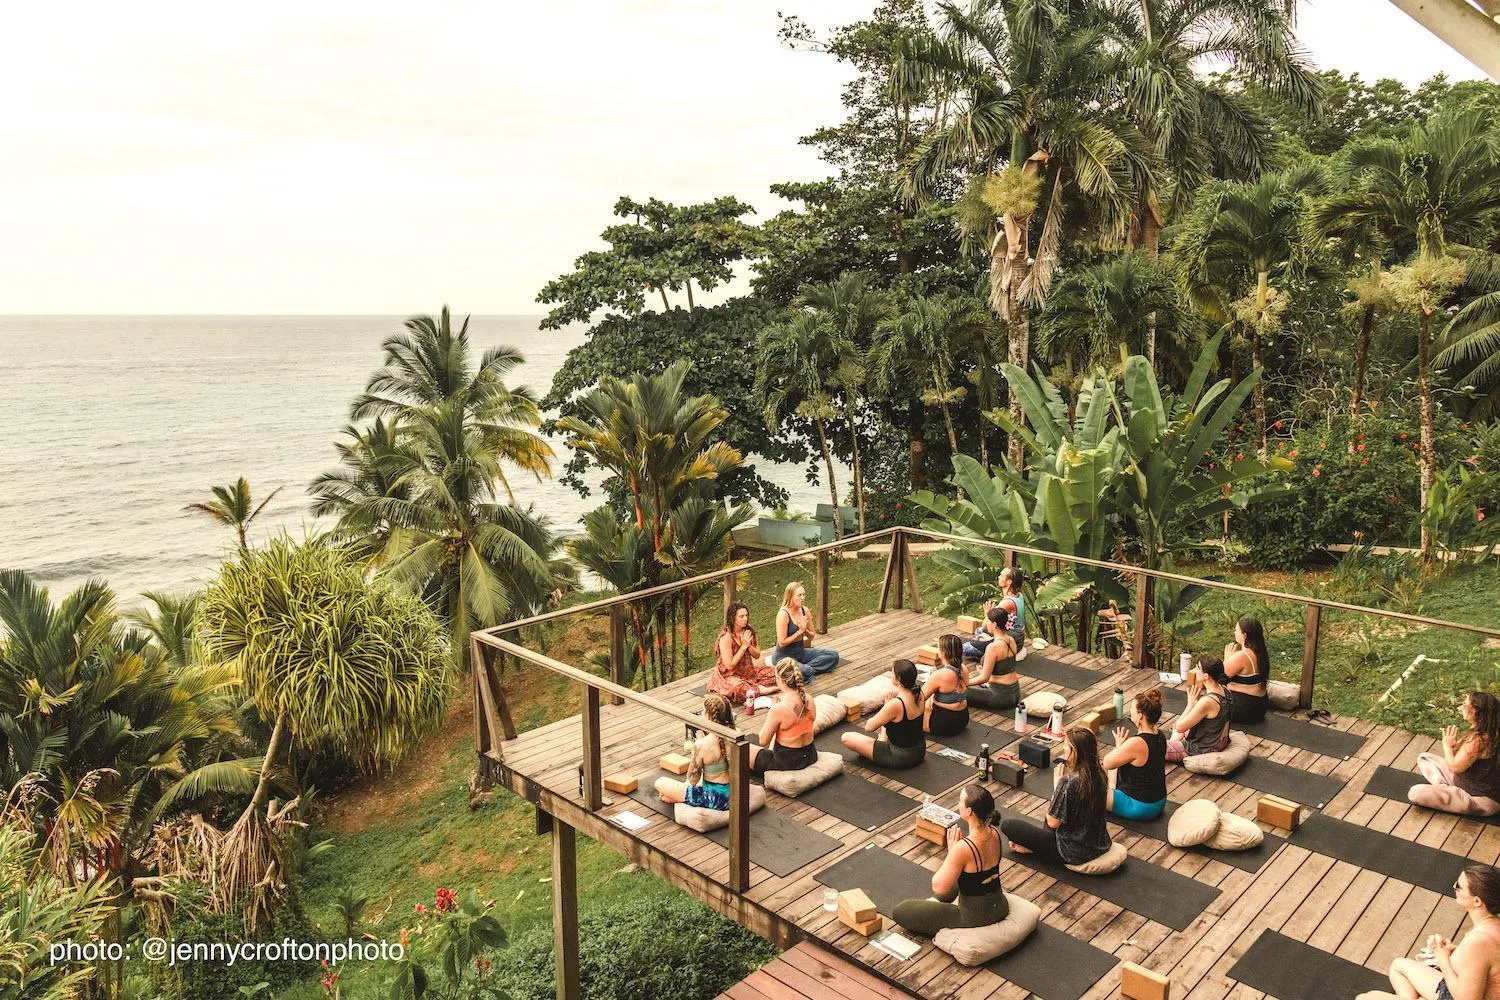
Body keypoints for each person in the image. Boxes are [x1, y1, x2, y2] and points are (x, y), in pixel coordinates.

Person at [1358, 864, 1500, 1000]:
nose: (1454, 887)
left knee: (1365, 998)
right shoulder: (1493, 925)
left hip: (1456, 995)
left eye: (1459, 886)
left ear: (1476, 901)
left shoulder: (1477, 942)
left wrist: (1442, 958)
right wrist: (1454, 952)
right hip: (1463, 987)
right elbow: (1486, 960)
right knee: (1398, 966)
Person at [893, 784, 1009, 935]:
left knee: (902, 911)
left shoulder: (964, 848)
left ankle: (934, 906)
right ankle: (935, 904)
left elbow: (938, 887)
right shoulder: (995, 833)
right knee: (956, 881)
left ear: (969, 811)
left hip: (975, 916)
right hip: (999, 905)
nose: (958, 804)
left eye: (961, 801)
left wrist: (952, 852)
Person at [1000, 726, 1112, 867]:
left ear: (1074, 751)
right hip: (1099, 843)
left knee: (1009, 825)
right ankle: (1038, 848)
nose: (1064, 748)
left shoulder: (1070, 781)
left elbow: (1053, 822)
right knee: (1050, 822)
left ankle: (1037, 851)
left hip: (1073, 851)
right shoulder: (1100, 773)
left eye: (1065, 745)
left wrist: (1058, 787)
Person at [1408, 692, 1500, 817]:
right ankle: (1446, 790)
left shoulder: (1478, 741)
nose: (1462, 706)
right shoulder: (1489, 730)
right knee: (1424, 758)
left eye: (1465, 704)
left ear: (1476, 712)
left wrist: (1447, 747)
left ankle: (1447, 792)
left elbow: (1455, 767)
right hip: (1465, 780)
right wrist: (1454, 747)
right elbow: (1466, 761)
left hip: (1479, 799)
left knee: (1415, 793)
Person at [655, 694, 737, 810]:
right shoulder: (736, 734)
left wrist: (697, 747)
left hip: (715, 799)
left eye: (704, 711)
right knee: (672, 791)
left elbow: (693, 780)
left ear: (709, 716)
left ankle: (678, 799)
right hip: (734, 792)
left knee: (660, 782)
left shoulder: (702, 745)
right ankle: (676, 798)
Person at [842, 658, 926, 769]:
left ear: (898, 678)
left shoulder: (896, 704)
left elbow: (869, 727)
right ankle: (882, 740)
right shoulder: (919, 694)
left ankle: (881, 742)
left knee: (847, 738)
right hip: (919, 751)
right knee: (894, 722)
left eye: (892, 674)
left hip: (901, 757)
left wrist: (886, 706)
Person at [1101, 689, 1169, 821]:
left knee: (1087, 790)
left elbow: (1107, 763)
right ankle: (1112, 790)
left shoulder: (1137, 743)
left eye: (1132, 708)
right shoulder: (1160, 735)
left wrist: (1119, 747)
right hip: (1159, 801)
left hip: (1141, 806)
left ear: (1140, 716)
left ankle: (1111, 792)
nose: (1130, 711)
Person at [747, 660, 819, 776]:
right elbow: (805, 718)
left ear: (780, 680)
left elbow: (763, 740)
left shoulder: (779, 709)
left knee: (743, 750)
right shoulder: (809, 699)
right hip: (810, 755)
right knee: (783, 729)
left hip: (787, 763)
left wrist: (773, 711)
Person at [1166, 658, 1234, 763]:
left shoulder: (1208, 701)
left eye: (1198, 668)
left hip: (1203, 748)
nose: (1195, 670)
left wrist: (1190, 704)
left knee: (1155, 747)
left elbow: (1180, 727)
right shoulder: (1226, 690)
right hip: (1221, 741)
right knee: (1180, 731)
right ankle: (1174, 741)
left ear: (1206, 676)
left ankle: (1173, 743)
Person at [709, 603, 777, 706]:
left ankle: (758, 689)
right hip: (729, 676)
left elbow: (757, 655)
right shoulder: (726, 637)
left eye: (746, 615)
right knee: (739, 688)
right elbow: (729, 666)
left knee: (777, 673)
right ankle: (762, 690)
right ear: (733, 618)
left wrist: (748, 646)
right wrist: (743, 647)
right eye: (741, 616)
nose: (745, 619)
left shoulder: (748, 631)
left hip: (748, 672)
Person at [773, 581, 839, 682]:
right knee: (807, 670)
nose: (802, 598)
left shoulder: (805, 610)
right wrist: (800, 631)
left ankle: (798, 672)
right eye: (799, 595)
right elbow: (782, 642)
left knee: (833, 655)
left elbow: (812, 636)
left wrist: (805, 630)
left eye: (803, 595)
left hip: (801, 652)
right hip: (784, 656)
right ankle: (802, 671)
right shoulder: (783, 614)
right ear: (790, 596)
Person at [964, 567, 1028, 664]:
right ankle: (986, 642)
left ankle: (994, 654)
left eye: (1002, 576)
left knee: (965, 649)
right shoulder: (1019, 595)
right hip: (1015, 639)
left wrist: (987, 615)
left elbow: (986, 625)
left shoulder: (1007, 603)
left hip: (1009, 643)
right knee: (979, 631)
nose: (999, 577)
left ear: (1009, 582)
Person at [966, 606, 1022, 711]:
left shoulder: (993, 647)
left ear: (995, 624)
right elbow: (1005, 668)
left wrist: (964, 682)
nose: (986, 623)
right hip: (1015, 693)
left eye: (988, 620)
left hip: (1000, 696)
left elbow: (984, 678)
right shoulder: (1011, 640)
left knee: (958, 690)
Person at [1224, 617, 1270, 723]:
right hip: (1261, 706)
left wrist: (1227, 659)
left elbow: (1218, 677)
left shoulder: (1242, 656)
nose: (1234, 632)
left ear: (1244, 635)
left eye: (1236, 630)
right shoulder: (1260, 652)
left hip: (1245, 708)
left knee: (1209, 697)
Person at [923, 633, 970, 738]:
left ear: (943, 652)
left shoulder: (941, 675)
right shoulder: (963, 669)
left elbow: (919, 699)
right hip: (962, 719)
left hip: (944, 723)